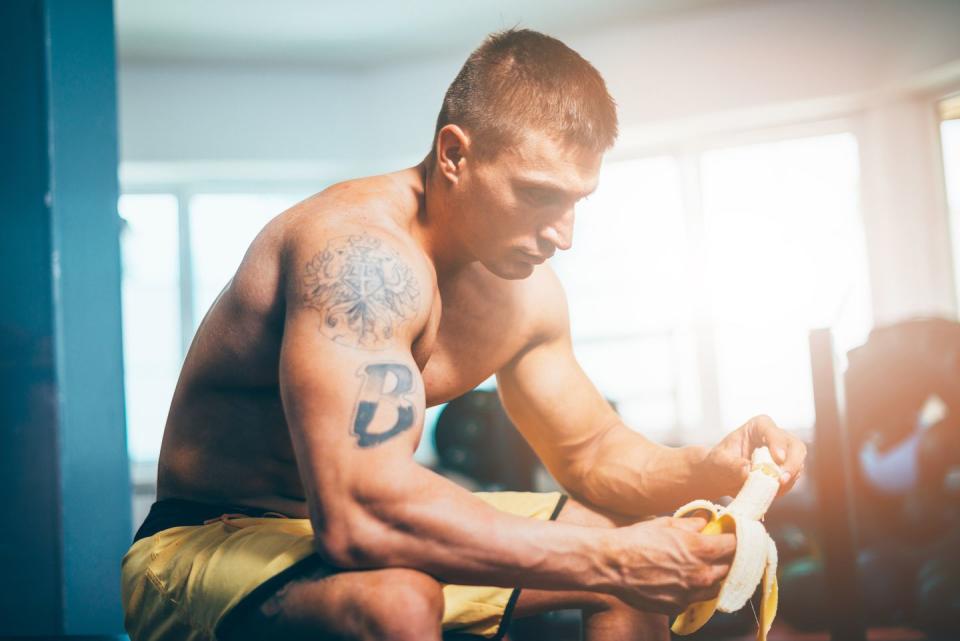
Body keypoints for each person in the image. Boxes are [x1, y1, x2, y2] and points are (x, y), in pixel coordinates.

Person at [121, 28, 806, 641]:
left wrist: (708, 468)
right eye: (539, 194)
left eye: (575, 202)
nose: (562, 234)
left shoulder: (524, 293)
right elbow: (359, 516)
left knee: (604, 544)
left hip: (347, 518)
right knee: (398, 601)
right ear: (455, 154)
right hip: (205, 537)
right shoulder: (360, 258)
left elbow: (592, 450)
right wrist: (621, 558)